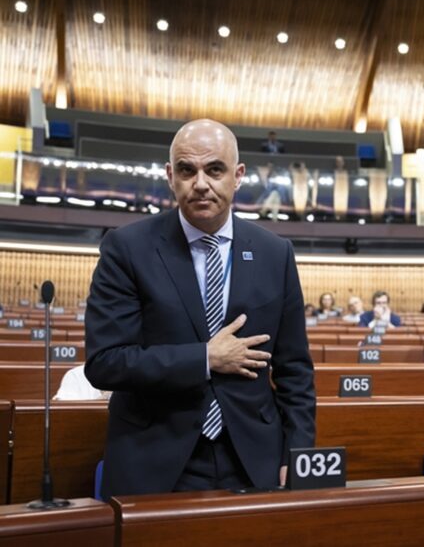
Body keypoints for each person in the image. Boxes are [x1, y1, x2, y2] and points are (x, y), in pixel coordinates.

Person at [85, 119, 315, 499]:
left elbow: (295, 371)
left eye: (215, 170)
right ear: (170, 175)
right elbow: (105, 362)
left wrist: (299, 451)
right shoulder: (126, 248)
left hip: (255, 457)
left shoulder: (276, 253)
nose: (201, 183)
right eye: (188, 170)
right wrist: (205, 358)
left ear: (238, 176)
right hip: (154, 455)